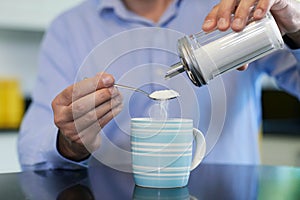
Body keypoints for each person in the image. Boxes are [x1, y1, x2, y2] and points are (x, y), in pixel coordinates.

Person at [18, 0, 300, 171]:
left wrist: (296, 28)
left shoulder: (239, 11)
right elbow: (31, 149)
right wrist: (69, 142)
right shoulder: (69, 28)